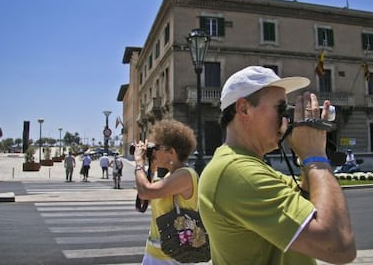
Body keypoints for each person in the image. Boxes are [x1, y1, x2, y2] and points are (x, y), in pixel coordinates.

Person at [198, 66, 356, 264]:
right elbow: (339, 246)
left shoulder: (248, 166)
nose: (285, 119)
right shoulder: (237, 171)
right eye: (280, 109)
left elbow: (308, 205)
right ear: (244, 108)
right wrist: (315, 156)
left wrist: (307, 154)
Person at [133, 119, 199, 264]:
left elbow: (145, 192)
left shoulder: (186, 175)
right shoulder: (170, 176)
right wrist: (150, 168)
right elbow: (143, 201)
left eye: (156, 147)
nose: (154, 151)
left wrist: (138, 163)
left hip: (172, 258)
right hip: (154, 254)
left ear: (171, 152)